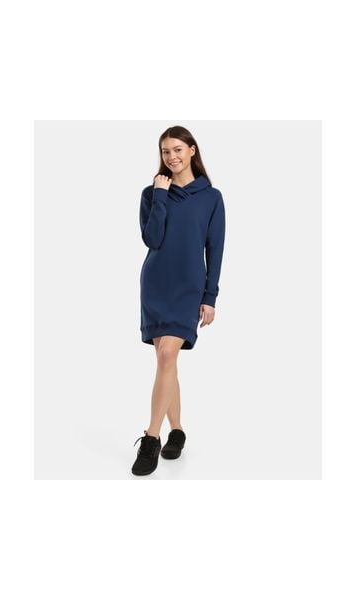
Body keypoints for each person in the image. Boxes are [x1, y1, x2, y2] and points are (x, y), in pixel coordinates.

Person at [132, 125, 226, 476]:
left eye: (177, 149)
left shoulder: (211, 197)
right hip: (156, 284)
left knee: (168, 356)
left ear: (191, 150)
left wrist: (210, 296)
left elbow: (215, 249)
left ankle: (151, 438)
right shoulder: (152, 192)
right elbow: (152, 239)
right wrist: (160, 194)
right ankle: (178, 431)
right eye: (165, 151)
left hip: (188, 288)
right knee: (166, 361)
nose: (171, 156)